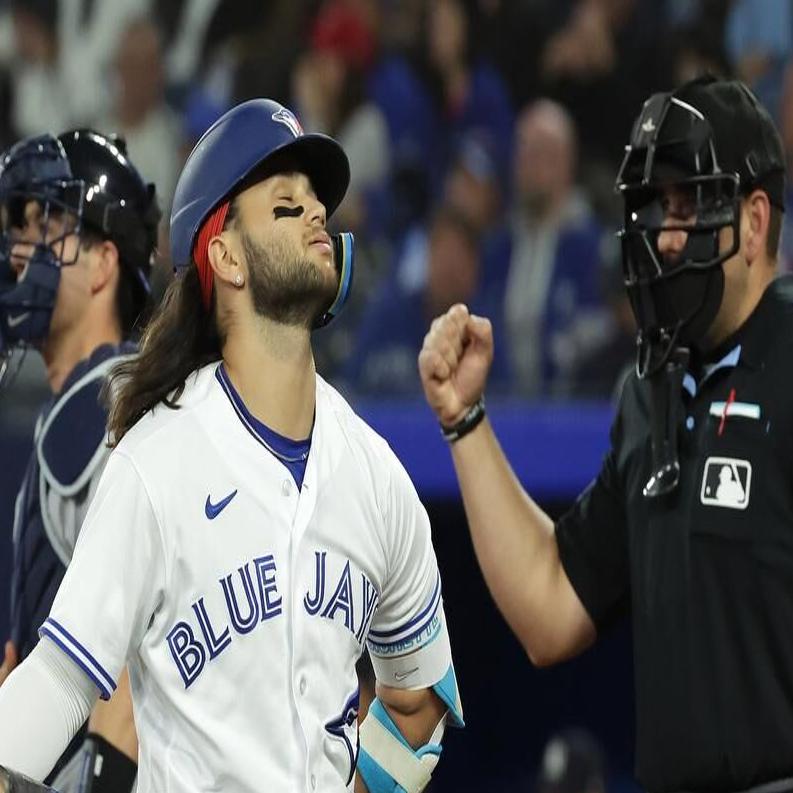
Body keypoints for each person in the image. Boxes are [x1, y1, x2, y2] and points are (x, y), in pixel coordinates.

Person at [0, 98, 463, 793]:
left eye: (316, 204)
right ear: (226, 255)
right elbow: (61, 679)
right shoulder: (155, 463)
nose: (316, 215)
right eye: (284, 205)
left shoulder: (376, 476)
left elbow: (418, 697)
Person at [419, 74, 793, 792]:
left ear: (752, 221)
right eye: (657, 206)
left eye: (690, 202)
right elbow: (550, 605)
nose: (667, 230)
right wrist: (463, 421)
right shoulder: (648, 390)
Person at [0, 129, 161, 791]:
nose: (20, 253)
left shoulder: (109, 400)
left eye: (46, 225)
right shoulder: (77, 407)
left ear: (103, 263)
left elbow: (143, 636)